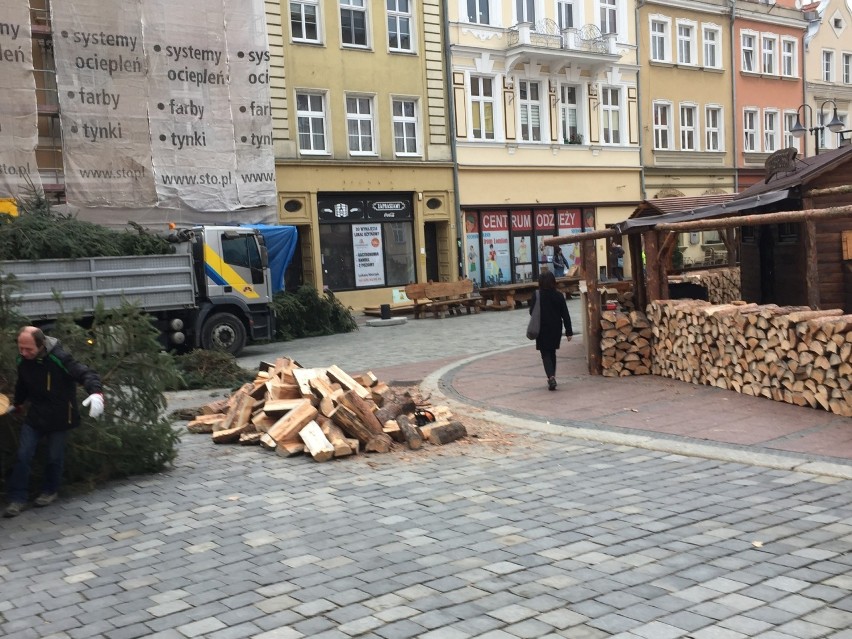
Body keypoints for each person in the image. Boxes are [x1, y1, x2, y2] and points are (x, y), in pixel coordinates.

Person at [4, 326, 104, 518]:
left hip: (60, 417)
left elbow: (85, 373)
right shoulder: (23, 360)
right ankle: (17, 498)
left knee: (53, 457)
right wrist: (17, 404)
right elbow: (22, 384)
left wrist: (96, 393)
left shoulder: (60, 358)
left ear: (41, 345)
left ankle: (49, 490)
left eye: (28, 349)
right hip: (35, 416)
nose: (24, 353)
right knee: (23, 455)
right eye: (21, 348)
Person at [529, 271, 573, 391]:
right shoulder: (559, 295)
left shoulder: (537, 295)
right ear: (553, 282)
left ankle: (551, 376)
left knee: (545, 353)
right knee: (552, 351)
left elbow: (531, 311)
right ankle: (552, 375)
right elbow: (565, 314)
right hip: (556, 328)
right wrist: (569, 331)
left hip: (541, 328)